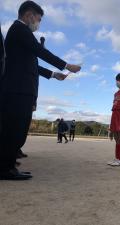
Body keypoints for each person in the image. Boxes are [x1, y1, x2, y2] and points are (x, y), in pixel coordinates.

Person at [0, 1, 81, 180]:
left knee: (18, 129)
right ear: (29, 15)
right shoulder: (20, 29)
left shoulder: (20, 33)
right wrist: (67, 65)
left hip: (21, 89)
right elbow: (40, 52)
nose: (38, 23)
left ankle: (8, 165)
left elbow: (33, 63)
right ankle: (5, 168)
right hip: (17, 89)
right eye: (38, 19)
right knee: (15, 129)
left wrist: (54, 74)